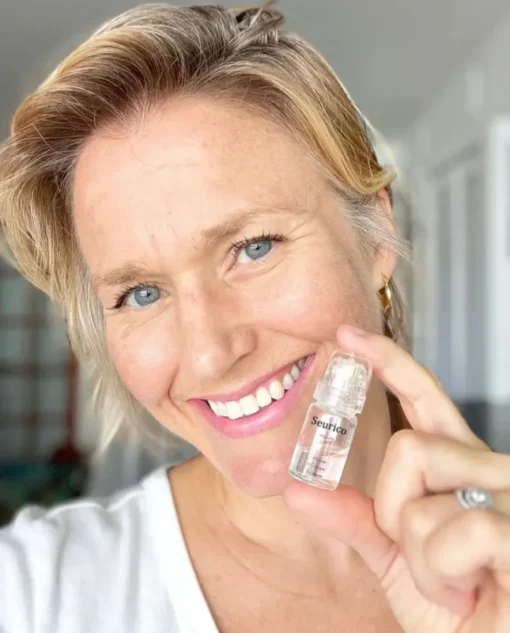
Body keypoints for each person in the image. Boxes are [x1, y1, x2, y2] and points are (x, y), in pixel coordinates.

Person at [0, 4, 508, 632]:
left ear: (375, 236)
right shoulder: (32, 595)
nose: (210, 353)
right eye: (142, 293)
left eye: (254, 248)